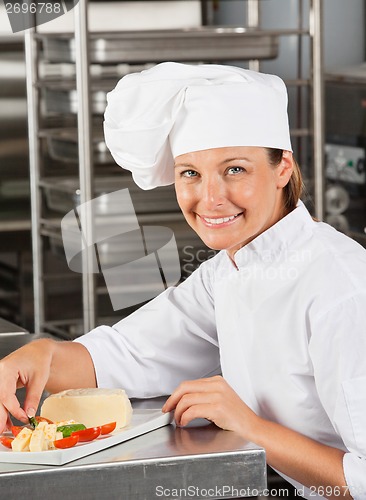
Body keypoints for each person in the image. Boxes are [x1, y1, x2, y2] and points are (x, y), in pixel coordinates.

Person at [1, 62, 366, 499]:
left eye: (235, 170)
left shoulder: (342, 290)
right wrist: (40, 356)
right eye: (190, 173)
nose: (210, 199)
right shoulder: (225, 274)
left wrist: (250, 426)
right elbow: (130, 354)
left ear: (283, 168)